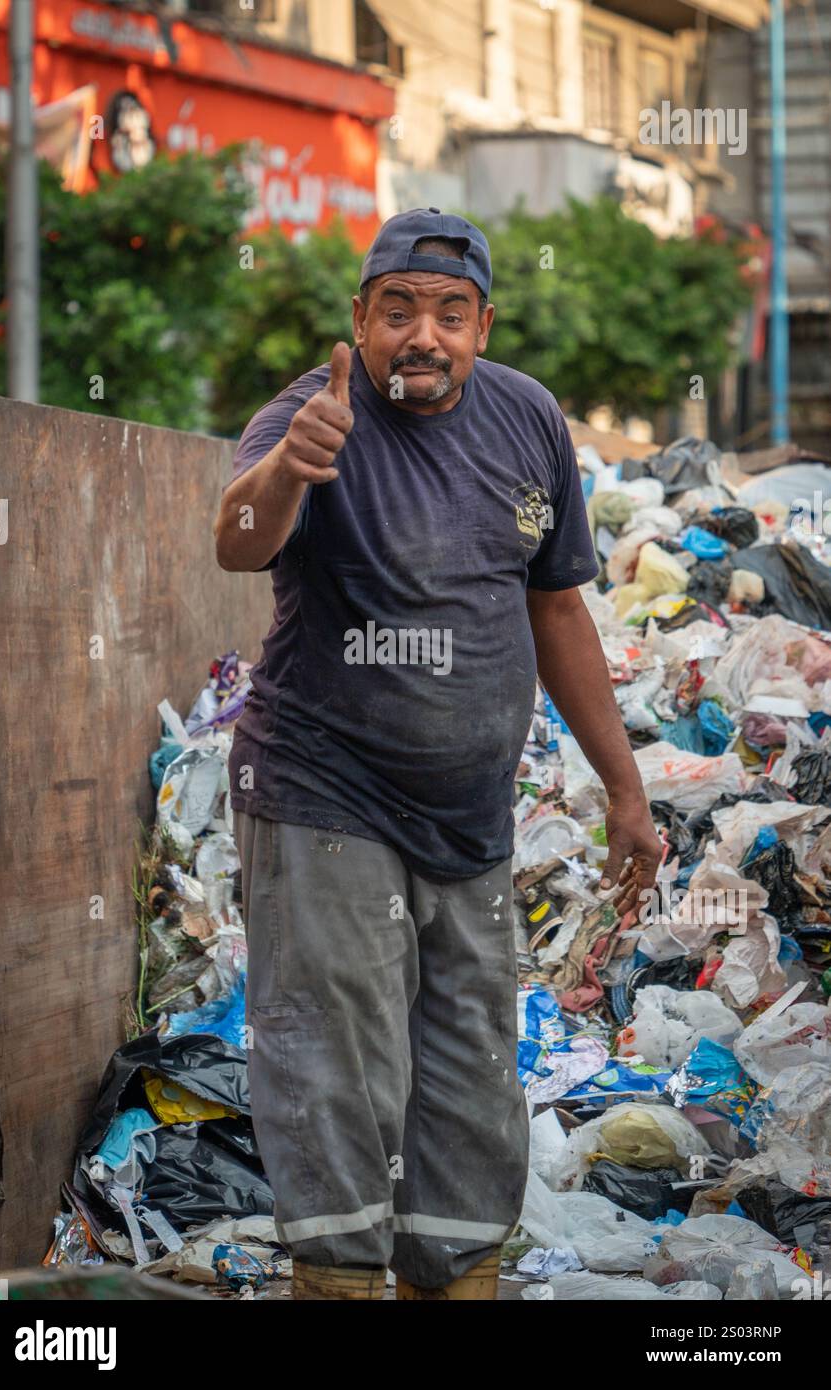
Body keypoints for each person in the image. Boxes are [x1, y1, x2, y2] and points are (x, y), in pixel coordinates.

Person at [214, 208, 661, 1300]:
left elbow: (555, 608)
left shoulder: (525, 419)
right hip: (325, 795)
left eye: (449, 314)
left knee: (466, 1088)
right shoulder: (307, 417)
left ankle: (452, 1278)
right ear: (360, 319)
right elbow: (235, 538)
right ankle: (335, 1279)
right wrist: (287, 473)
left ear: (481, 324)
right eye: (398, 310)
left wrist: (625, 786)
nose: (424, 334)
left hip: (468, 821)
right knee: (335, 1072)